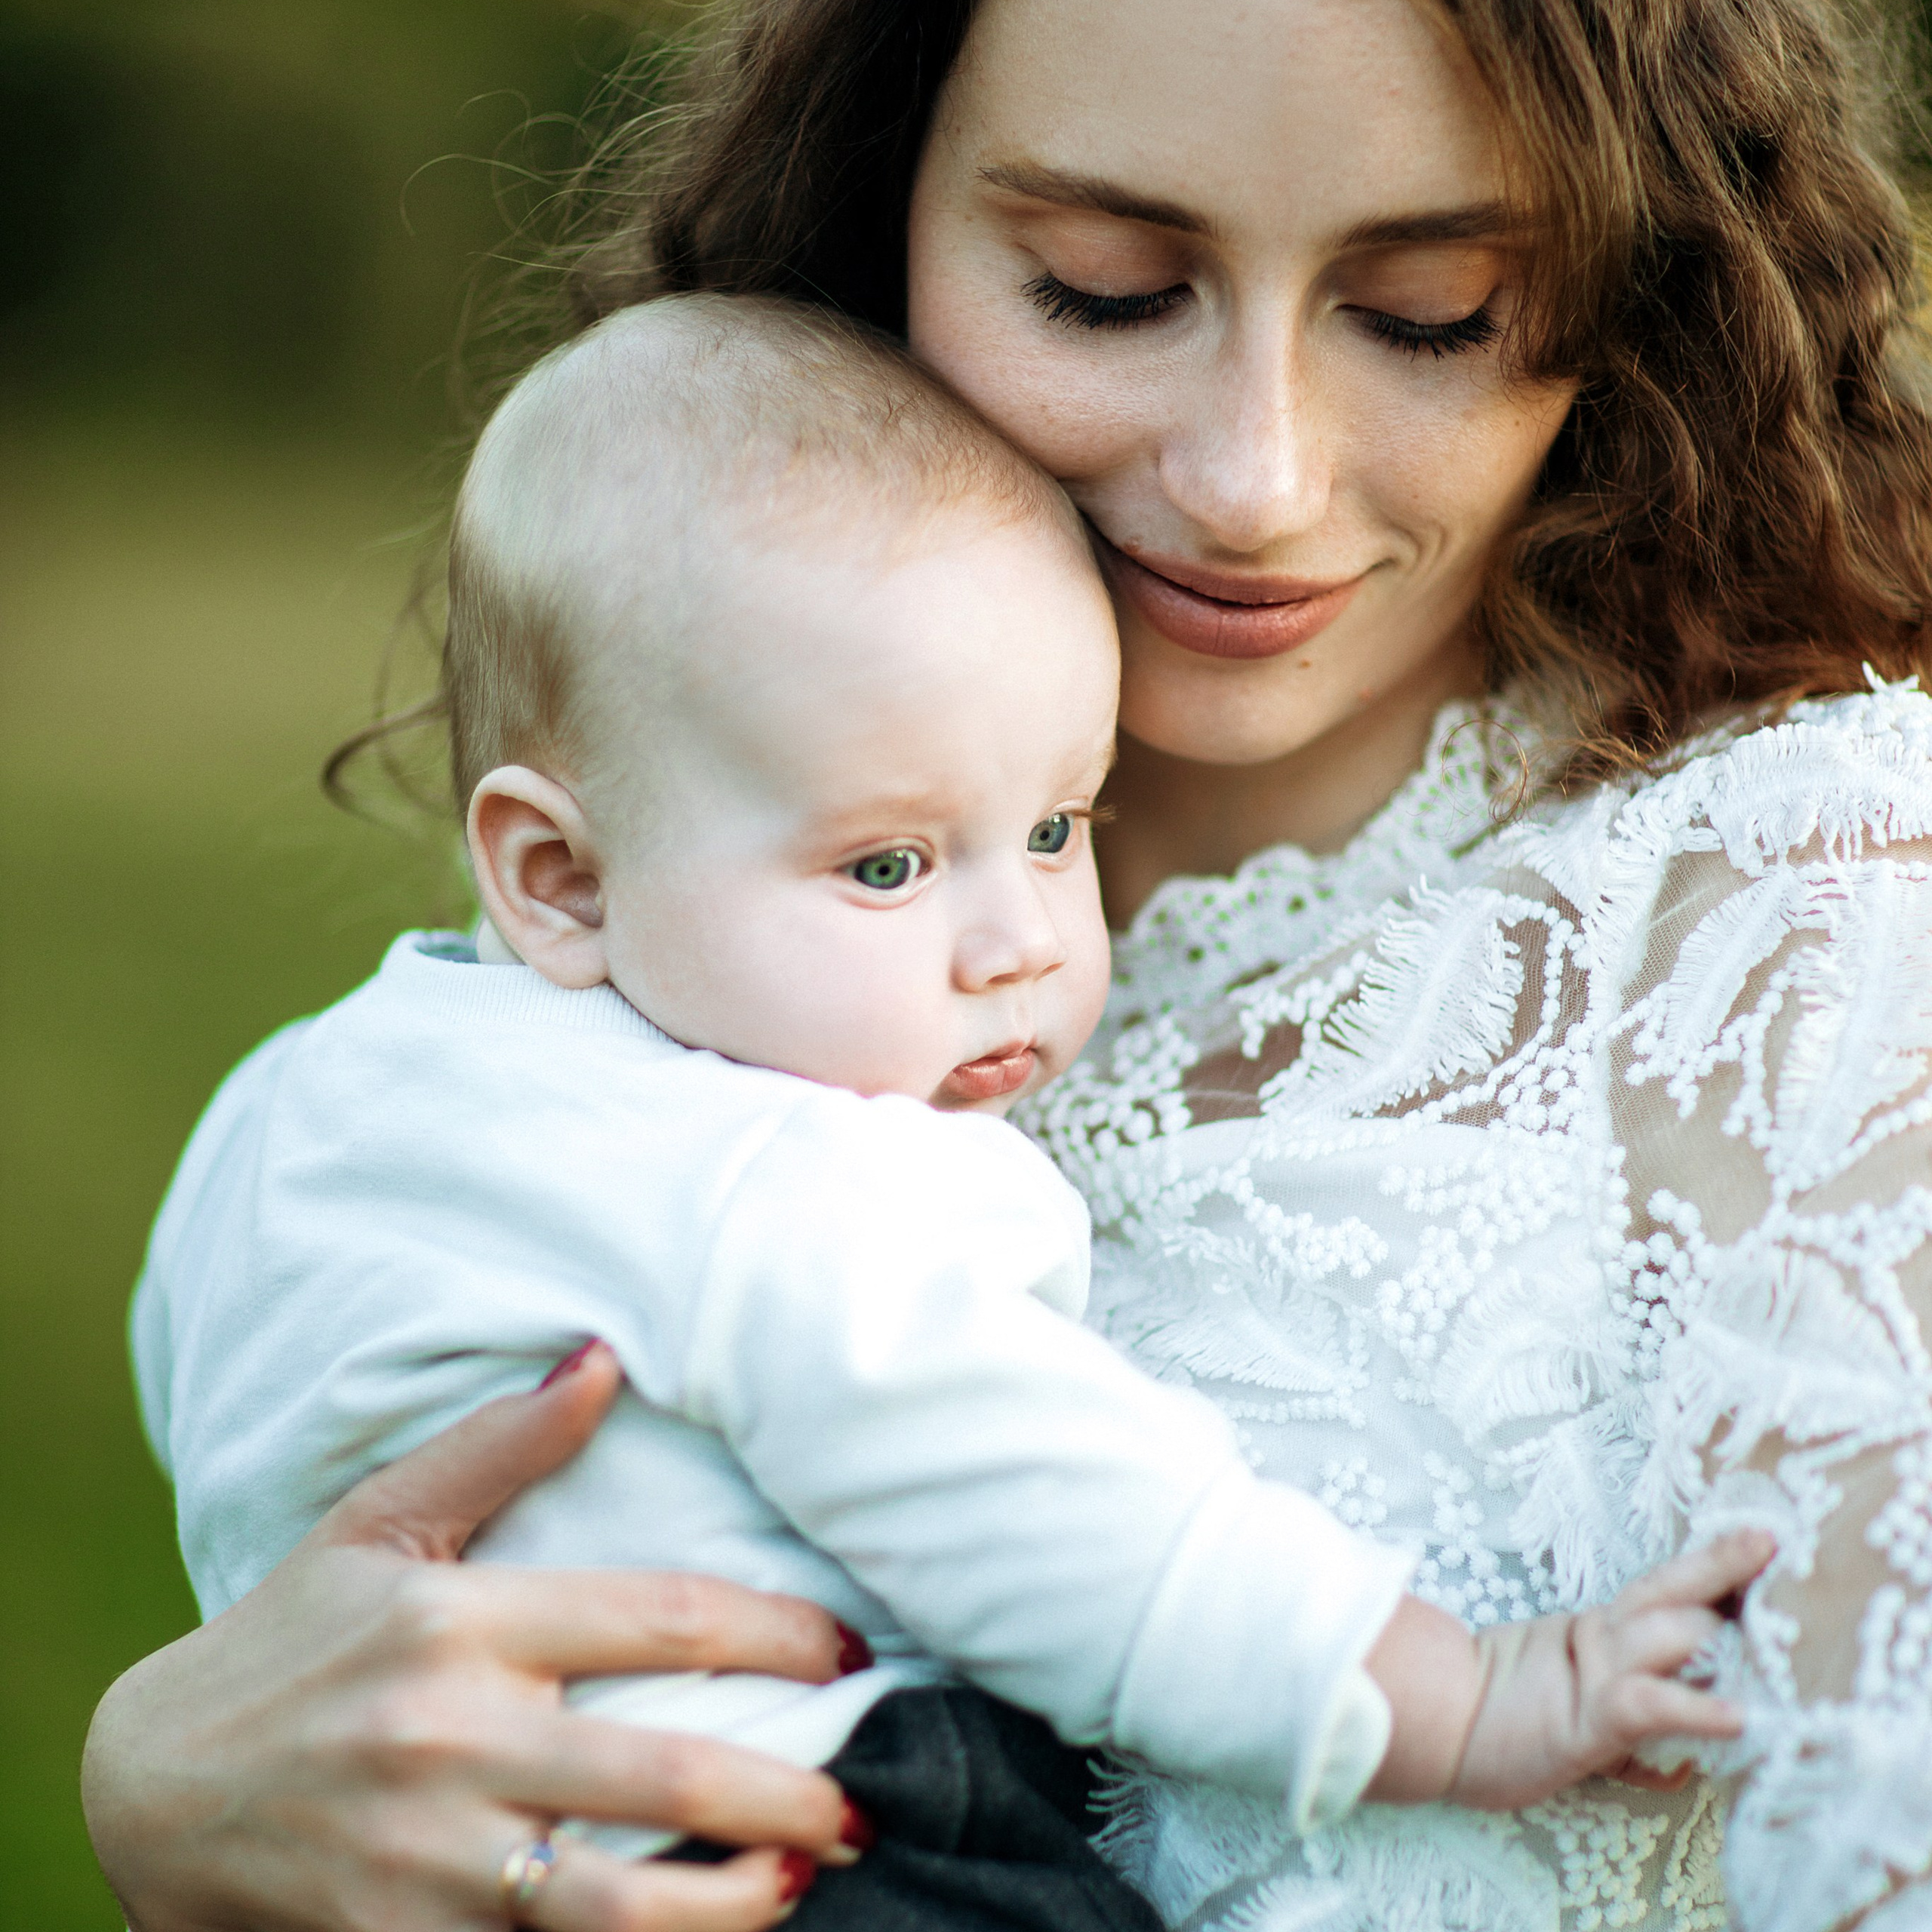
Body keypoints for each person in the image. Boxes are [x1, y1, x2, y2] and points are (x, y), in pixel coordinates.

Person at [85, 0, 1932, 1927]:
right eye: (1105, 289)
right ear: (881, 215)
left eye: (1430, 312)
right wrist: (179, 1791)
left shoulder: (1809, 925)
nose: (1252, 477)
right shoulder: (697, 931)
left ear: (1639, 295)